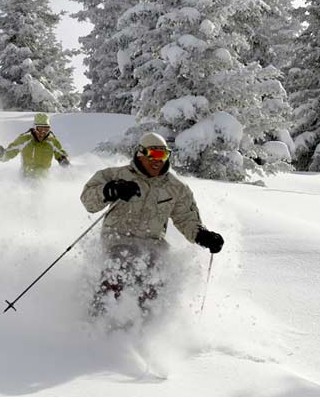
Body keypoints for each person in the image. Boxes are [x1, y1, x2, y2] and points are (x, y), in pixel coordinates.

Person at [79, 132, 224, 319]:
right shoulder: (116, 175)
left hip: (151, 244)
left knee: (155, 276)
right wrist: (111, 190)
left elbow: (186, 217)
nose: (159, 161)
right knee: (119, 267)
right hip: (117, 239)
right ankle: (98, 319)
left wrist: (202, 235)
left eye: (164, 155)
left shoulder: (175, 187)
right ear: (141, 153)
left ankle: (146, 326)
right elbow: (88, 201)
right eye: (154, 155)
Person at [0, 113, 70, 179]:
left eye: (46, 130)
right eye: (40, 129)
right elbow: (10, 152)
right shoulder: (25, 139)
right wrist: (1, 154)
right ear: (35, 128)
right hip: (26, 177)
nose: (43, 133)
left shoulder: (51, 141)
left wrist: (63, 159)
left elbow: (60, 152)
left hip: (43, 179)